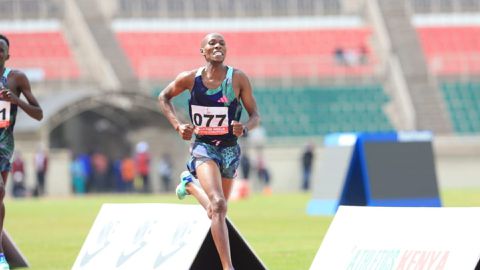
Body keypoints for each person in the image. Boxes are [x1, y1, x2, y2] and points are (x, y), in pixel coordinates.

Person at [158, 32, 260, 270]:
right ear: (202, 52)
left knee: (219, 210)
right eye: (212, 43)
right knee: (218, 204)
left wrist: (243, 128)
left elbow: (255, 115)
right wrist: (178, 125)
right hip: (203, 147)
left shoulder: (238, 79)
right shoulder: (189, 79)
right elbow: (163, 97)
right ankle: (228, 267)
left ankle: (190, 186)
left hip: (230, 150)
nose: (217, 46)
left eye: (222, 43)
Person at [0, 34, 43, 270]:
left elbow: (39, 113)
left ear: (8, 55)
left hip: (4, 147)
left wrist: (15, 100)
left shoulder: (16, 78)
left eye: (0, 50)